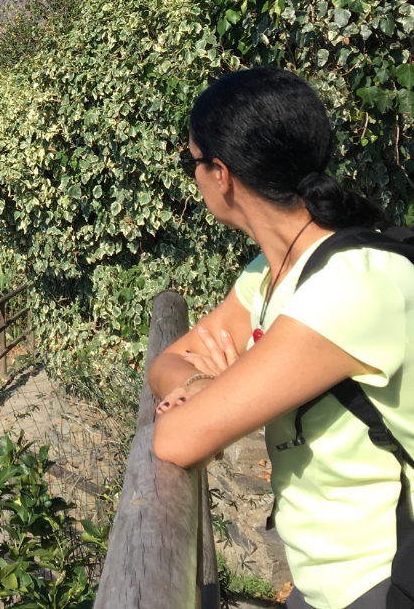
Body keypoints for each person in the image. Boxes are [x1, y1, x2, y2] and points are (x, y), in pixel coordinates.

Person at [150, 67, 414, 609]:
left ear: (220, 174)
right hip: (320, 579)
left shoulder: (352, 287)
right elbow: (170, 360)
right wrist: (205, 382)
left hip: (383, 579)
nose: (193, 176)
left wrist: (215, 396)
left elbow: (177, 439)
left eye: (191, 162)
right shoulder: (269, 273)